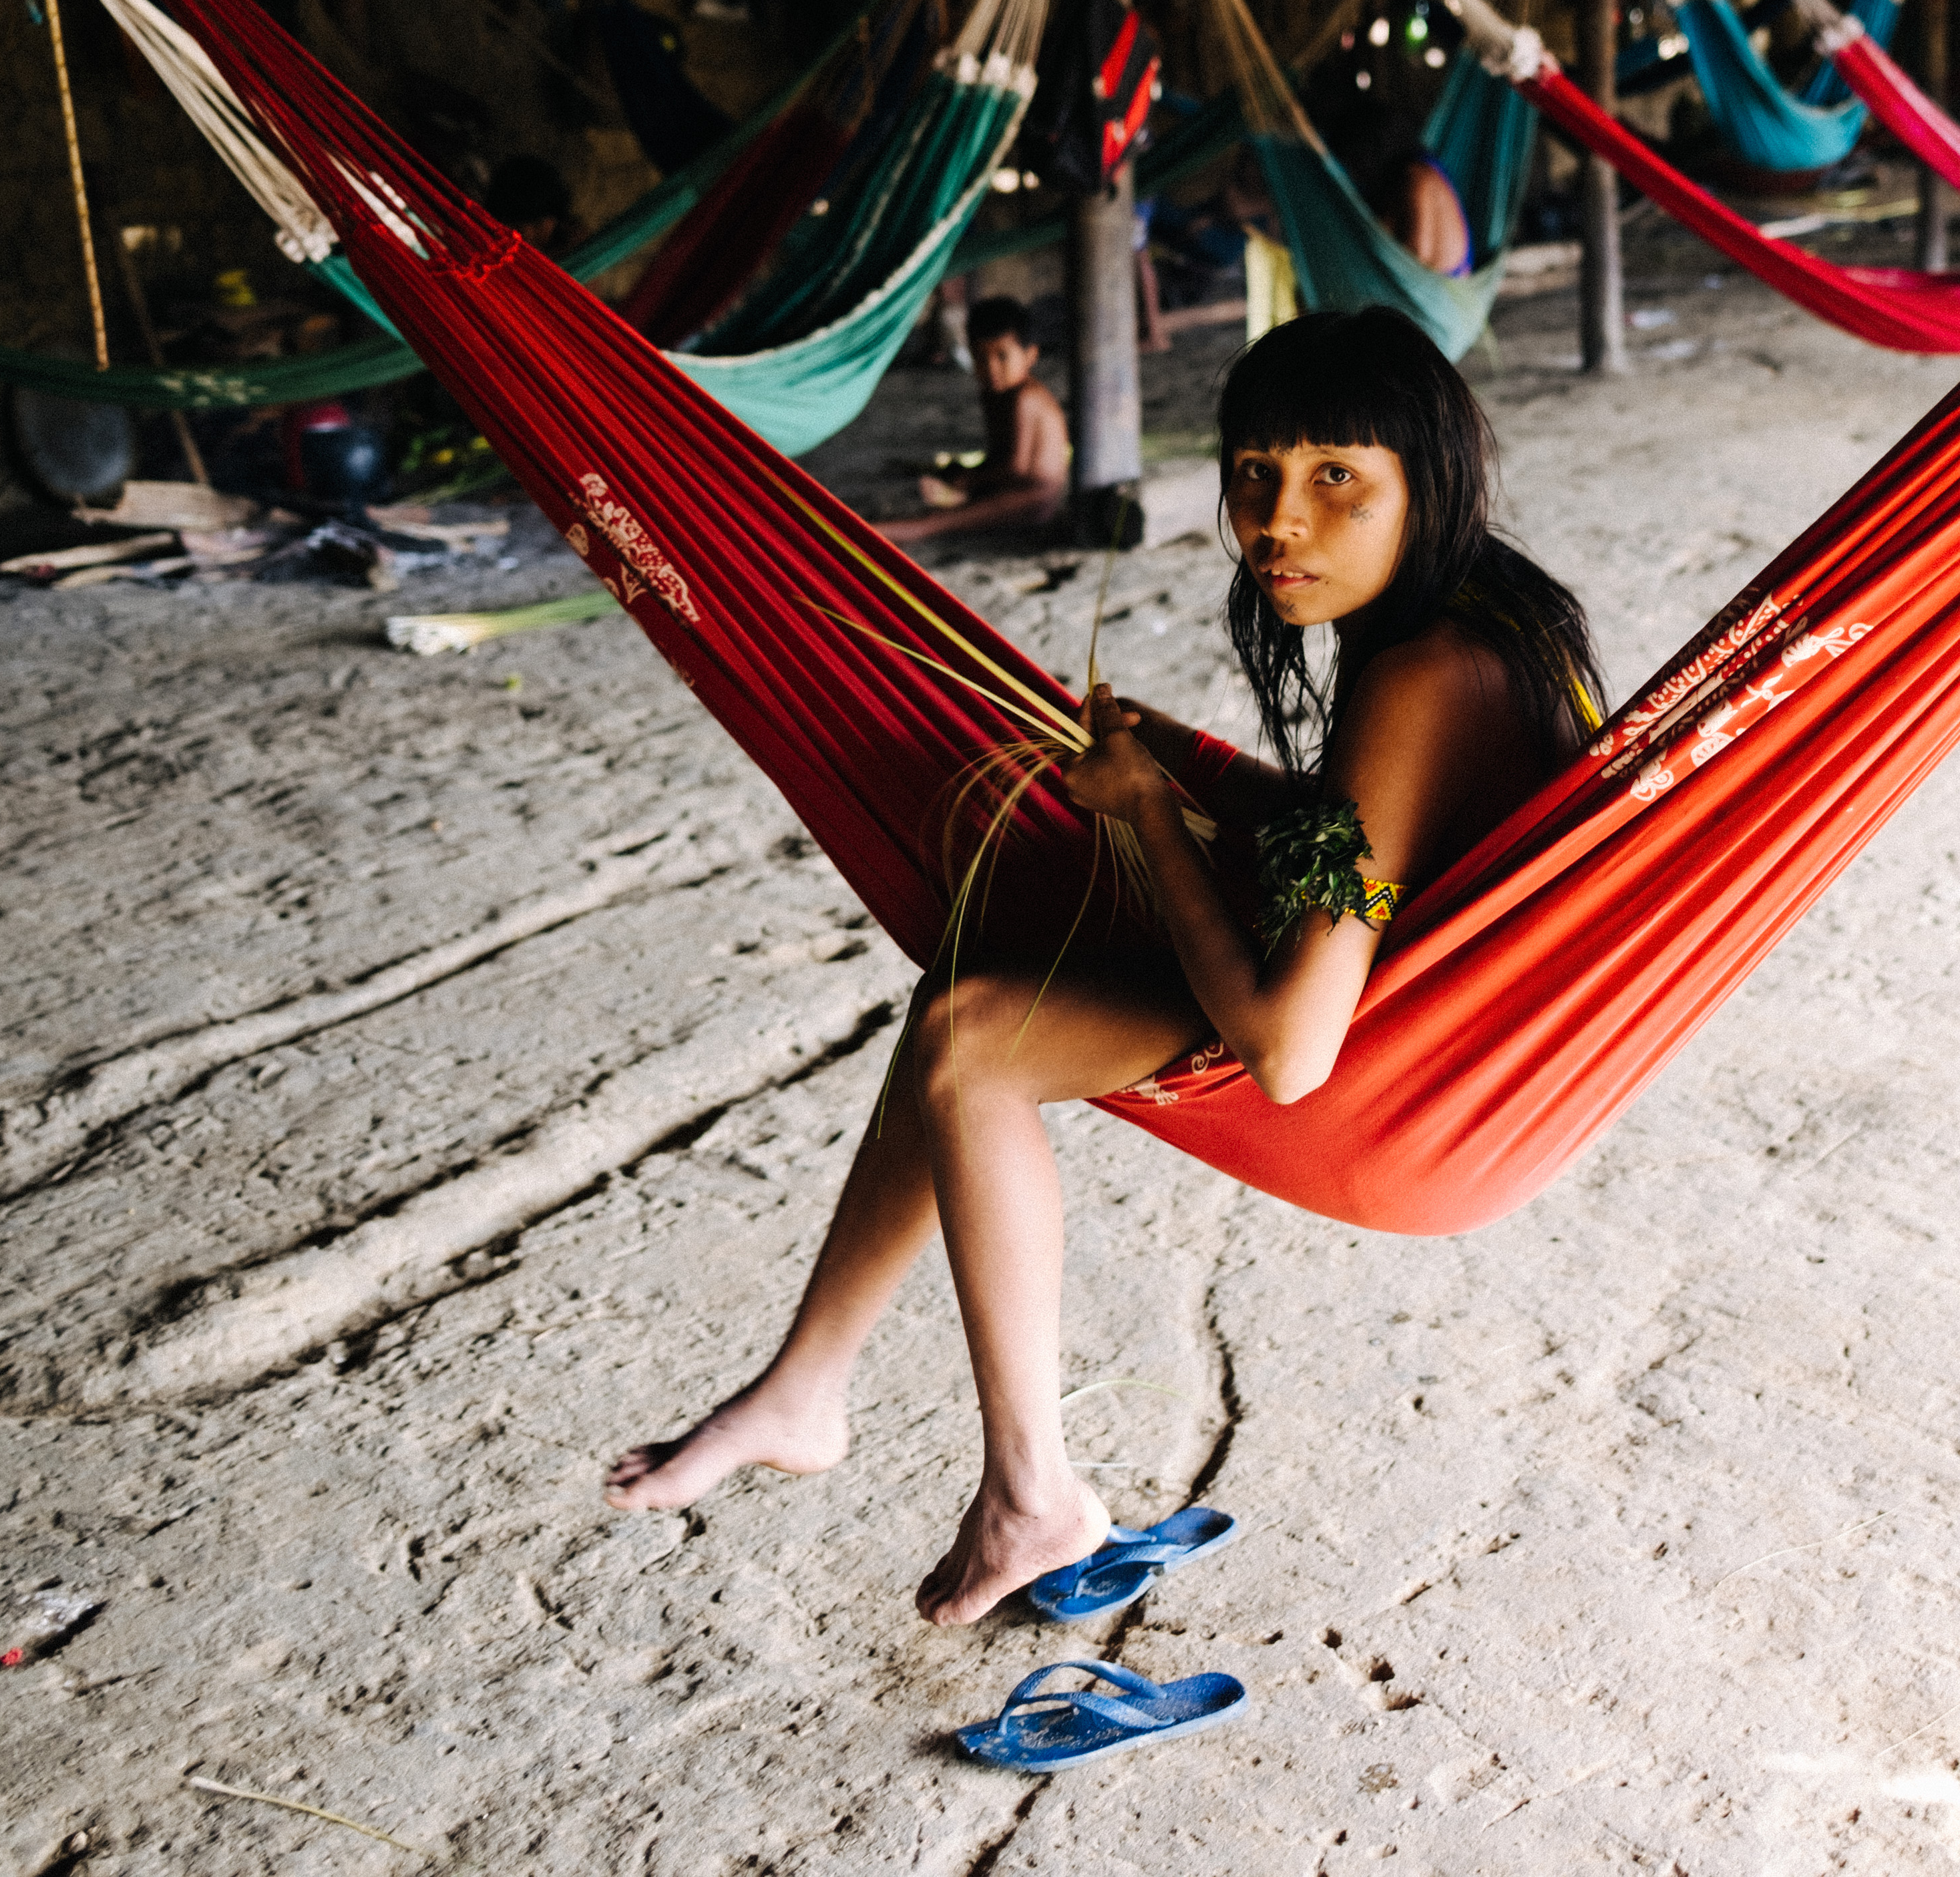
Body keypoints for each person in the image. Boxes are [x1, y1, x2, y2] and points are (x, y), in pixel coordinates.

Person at [602, 308, 1605, 1623]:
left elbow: (1287, 1049)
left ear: (1435, 481)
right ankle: (807, 1385)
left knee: (971, 1039)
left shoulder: (1420, 672)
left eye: (1334, 478)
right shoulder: (1490, 619)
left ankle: (1031, 1491)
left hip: (1403, 1090)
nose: (1277, 521)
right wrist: (1190, 766)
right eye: (1255, 474)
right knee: (960, 1011)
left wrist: (1144, 813)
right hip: (1440, 1037)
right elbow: (1372, 834)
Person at [879, 295, 1070, 545]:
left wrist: (967, 482)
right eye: (980, 358)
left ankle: (857, 531)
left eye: (1002, 356)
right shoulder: (993, 393)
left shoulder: (1026, 398)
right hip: (1007, 487)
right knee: (943, 491)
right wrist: (964, 476)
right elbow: (999, 455)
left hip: (1033, 500)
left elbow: (1017, 468)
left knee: (932, 524)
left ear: (1031, 355)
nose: (991, 368)